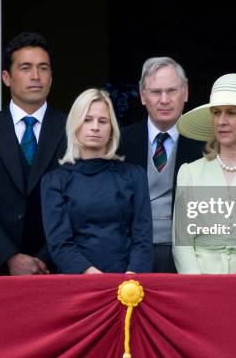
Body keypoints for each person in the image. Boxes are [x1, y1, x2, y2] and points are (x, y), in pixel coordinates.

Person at [41, 89, 153, 274]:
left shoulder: (134, 175)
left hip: (128, 284)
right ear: (75, 124)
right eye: (87, 119)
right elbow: (60, 243)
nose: (95, 127)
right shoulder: (54, 181)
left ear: (111, 129)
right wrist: (92, 276)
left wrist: (131, 279)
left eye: (102, 121)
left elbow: (143, 237)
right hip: (77, 283)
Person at [0, 32, 66, 275]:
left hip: (57, 268)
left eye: (43, 68)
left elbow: (79, 204)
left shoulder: (74, 129)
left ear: (51, 77)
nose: (35, 77)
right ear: (6, 77)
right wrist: (8, 256)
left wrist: (43, 258)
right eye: (25, 68)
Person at [118, 57, 203, 273]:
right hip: (131, 256)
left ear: (185, 92)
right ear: (143, 95)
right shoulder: (119, 142)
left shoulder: (206, 143)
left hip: (190, 255)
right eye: (156, 92)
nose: (164, 100)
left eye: (172, 91)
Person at [172, 74, 236, 274]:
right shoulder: (190, 172)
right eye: (216, 112)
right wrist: (198, 284)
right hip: (200, 283)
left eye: (231, 113)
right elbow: (182, 241)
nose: (221, 121)